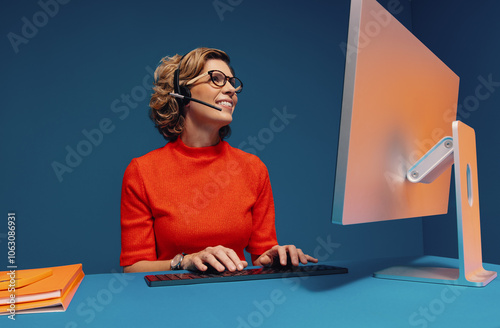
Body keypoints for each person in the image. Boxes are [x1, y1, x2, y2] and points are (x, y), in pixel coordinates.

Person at [120, 47, 317, 273]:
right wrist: (185, 261)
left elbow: (261, 254)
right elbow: (133, 268)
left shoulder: (254, 168)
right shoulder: (143, 171)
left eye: (232, 82)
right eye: (217, 79)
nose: (231, 89)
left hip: (239, 298)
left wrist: (273, 256)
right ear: (183, 93)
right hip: (174, 299)